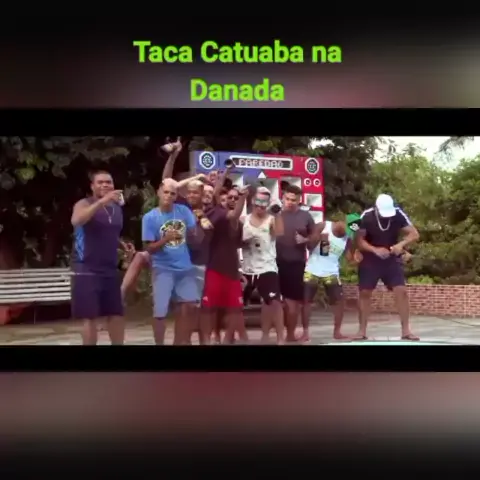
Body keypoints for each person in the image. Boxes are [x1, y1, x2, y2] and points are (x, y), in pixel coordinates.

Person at [71, 170, 133, 345]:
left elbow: (109, 233)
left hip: (109, 268)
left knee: (116, 314)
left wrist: (122, 245)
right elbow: (77, 220)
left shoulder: (116, 209)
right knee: (90, 317)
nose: (105, 185)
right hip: (86, 268)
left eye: (108, 182)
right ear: (92, 186)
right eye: (100, 182)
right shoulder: (84, 204)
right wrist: (102, 202)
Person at [142, 178, 201, 345]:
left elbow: (194, 235)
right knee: (160, 312)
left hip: (185, 267)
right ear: (159, 192)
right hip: (163, 268)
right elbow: (149, 248)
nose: (168, 196)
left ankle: (179, 342)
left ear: (176, 196)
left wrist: (196, 230)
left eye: (172, 193)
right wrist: (165, 239)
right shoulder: (150, 217)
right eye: (166, 192)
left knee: (188, 306)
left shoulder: (183, 211)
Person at [355, 194, 420, 341]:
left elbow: (414, 234)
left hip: (391, 258)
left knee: (401, 291)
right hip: (370, 258)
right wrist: (375, 250)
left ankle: (406, 331)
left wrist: (400, 245)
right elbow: (359, 241)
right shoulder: (366, 216)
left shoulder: (397, 213)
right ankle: (362, 331)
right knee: (365, 292)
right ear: (376, 209)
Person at [302, 214, 361, 342]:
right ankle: (305, 333)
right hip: (313, 269)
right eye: (347, 230)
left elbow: (348, 257)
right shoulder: (323, 226)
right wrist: (318, 239)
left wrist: (355, 260)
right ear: (343, 222)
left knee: (339, 301)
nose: (346, 234)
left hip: (331, 272)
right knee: (307, 301)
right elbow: (309, 247)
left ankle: (337, 332)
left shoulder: (347, 238)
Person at [203, 185, 250, 344]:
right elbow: (218, 197)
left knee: (235, 307)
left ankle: (227, 339)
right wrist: (226, 175)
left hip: (232, 269)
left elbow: (235, 218)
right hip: (214, 267)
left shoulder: (237, 223)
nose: (232, 200)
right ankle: (211, 338)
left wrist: (240, 271)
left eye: (235, 198)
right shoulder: (215, 214)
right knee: (211, 307)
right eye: (229, 197)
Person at [240, 187, 284, 344]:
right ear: (252, 201)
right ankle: (237, 337)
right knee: (236, 303)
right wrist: (244, 241)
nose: (260, 206)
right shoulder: (243, 220)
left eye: (264, 202)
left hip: (267, 266)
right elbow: (235, 242)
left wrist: (277, 212)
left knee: (273, 302)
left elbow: (279, 232)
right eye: (258, 201)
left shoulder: (271, 219)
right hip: (247, 267)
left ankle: (278, 338)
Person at [276, 184, 315, 342]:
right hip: (273, 262)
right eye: (287, 199)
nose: (290, 202)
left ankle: (290, 334)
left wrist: (306, 240)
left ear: (299, 200)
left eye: (294, 200)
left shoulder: (306, 217)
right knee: (273, 303)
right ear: (283, 198)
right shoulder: (275, 215)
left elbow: (315, 241)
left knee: (292, 302)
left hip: (295, 263)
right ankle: (273, 335)